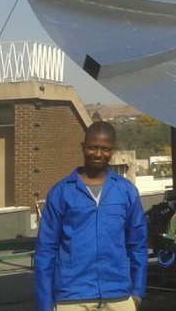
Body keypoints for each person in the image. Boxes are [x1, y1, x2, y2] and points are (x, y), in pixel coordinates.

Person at [34, 121, 147, 311]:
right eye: (92, 148)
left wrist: (137, 292)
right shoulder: (61, 192)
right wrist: (45, 303)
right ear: (83, 147)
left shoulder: (125, 191)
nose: (98, 154)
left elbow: (138, 245)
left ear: (113, 150)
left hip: (118, 295)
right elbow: (46, 250)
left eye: (105, 149)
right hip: (72, 297)